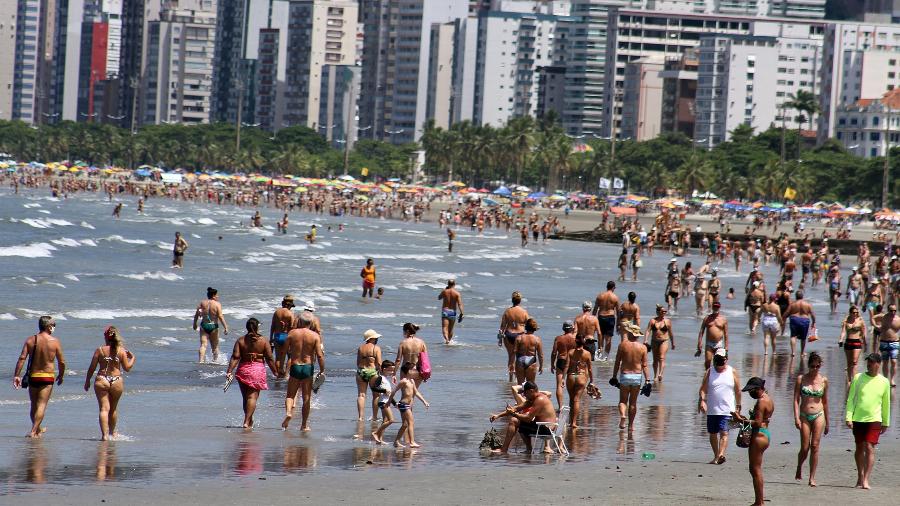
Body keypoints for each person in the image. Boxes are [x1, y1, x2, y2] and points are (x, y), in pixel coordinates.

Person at [13, 316, 66, 438]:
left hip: (34, 376)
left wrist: (16, 375)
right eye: (54, 325)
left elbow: (22, 358)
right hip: (47, 377)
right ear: (48, 326)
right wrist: (61, 375)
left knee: (34, 404)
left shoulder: (31, 340)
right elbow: (61, 362)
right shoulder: (55, 342)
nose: (54, 327)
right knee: (42, 405)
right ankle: (33, 431)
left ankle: (37, 430)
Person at [845, 353, 891, 489]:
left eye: (871, 362)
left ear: (878, 364)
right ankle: (860, 475)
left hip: (875, 419)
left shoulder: (884, 382)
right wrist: (848, 417)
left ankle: (866, 479)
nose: (869, 365)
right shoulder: (858, 378)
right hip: (858, 418)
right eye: (868, 362)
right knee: (859, 447)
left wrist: (885, 422)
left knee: (869, 447)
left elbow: (886, 403)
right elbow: (851, 399)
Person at [83, 326, 136, 440]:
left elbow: (91, 368)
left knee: (103, 409)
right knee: (113, 409)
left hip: (102, 379)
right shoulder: (121, 350)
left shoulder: (100, 350)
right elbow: (127, 368)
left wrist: (87, 381)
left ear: (106, 337)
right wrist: (133, 358)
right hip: (116, 380)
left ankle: (105, 436)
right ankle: (112, 433)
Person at [224, 318, 278, 429]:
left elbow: (235, 357)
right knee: (252, 398)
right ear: (257, 327)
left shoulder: (240, 340)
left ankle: (249, 420)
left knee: (246, 398)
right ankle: (246, 421)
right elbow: (269, 358)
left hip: (243, 369)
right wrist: (275, 371)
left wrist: (229, 371)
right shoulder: (263, 341)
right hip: (257, 370)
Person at [732, 377, 774, 506]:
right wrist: (744, 419)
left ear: (758, 389)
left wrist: (739, 420)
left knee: (755, 469)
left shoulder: (761, 402)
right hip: (764, 434)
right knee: (755, 469)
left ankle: (759, 502)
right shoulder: (768, 398)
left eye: (751, 391)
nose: (749, 394)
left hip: (759, 436)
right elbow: (762, 419)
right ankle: (759, 501)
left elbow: (757, 423)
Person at [281, 311, 325, 432]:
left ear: (299, 321)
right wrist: (322, 370)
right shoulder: (315, 336)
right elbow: (320, 356)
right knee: (306, 398)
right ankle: (304, 425)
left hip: (295, 366)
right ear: (311, 323)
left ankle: (289, 412)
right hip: (308, 367)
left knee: (290, 395)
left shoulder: (292, 333)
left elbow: (284, 352)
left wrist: (281, 367)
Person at [489, 381, 557, 454]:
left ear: (531, 391)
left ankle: (504, 449)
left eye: (525, 393)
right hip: (543, 426)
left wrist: (514, 414)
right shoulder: (535, 398)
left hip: (546, 429)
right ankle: (528, 449)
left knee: (514, 421)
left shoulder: (539, 400)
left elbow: (528, 419)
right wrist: (498, 416)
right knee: (519, 423)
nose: (524, 395)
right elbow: (516, 408)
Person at [698, 349, 741, 465]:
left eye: (722, 359)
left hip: (728, 409)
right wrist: (702, 401)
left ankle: (721, 454)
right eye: (717, 359)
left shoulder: (732, 371)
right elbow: (702, 389)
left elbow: (738, 391)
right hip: (712, 409)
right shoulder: (710, 371)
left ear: (726, 359)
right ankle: (716, 456)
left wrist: (738, 406)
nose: (719, 362)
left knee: (724, 432)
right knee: (713, 433)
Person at [793, 352, 829, 487]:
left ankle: (812, 477)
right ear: (808, 366)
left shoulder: (824, 380)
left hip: (819, 414)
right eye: (812, 366)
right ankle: (799, 466)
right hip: (804, 415)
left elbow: (825, 402)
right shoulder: (801, 379)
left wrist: (828, 423)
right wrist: (796, 417)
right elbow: (796, 400)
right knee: (805, 447)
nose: (815, 369)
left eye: (817, 366)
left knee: (815, 446)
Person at [610, 321, 651, 432]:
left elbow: (617, 362)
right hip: (637, 376)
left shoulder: (623, 345)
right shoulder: (643, 348)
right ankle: (631, 426)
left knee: (623, 401)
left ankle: (623, 415)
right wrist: (648, 380)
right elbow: (645, 365)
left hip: (625, 376)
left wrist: (614, 376)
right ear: (637, 335)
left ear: (629, 333)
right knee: (633, 403)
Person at [387, 362, 430, 448]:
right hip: (403, 404)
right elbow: (393, 391)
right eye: (414, 370)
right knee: (411, 422)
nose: (416, 371)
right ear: (408, 371)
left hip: (407, 405)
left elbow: (416, 392)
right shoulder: (404, 381)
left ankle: (396, 441)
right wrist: (389, 402)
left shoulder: (412, 381)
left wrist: (424, 401)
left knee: (405, 424)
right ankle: (412, 442)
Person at [564, 334, 595, 428]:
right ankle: (574, 422)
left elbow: (566, 366)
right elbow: (589, 369)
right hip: (581, 377)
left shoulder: (570, 352)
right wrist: (592, 381)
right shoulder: (587, 353)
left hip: (571, 377)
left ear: (575, 341)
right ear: (584, 342)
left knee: (571, 400)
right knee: (576, 400)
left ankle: (570, 421)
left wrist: (562, 379)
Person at [499, 291, 529, 381]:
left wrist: (500, 340)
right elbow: (529, 323)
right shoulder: (524, 312)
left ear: (512, 300)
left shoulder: (507, 311)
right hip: (520, 335)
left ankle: (510, 378)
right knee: (520, 357)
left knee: (511, 356)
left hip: (509, 335)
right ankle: (518, 378)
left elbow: (502, 327)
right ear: (520, 301)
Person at [193, 287, 228, 363]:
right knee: (215, 346)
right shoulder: (217, 304)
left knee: (203, 345)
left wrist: (194, 324)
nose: (218, 297)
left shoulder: (202, 303)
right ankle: (215, 361)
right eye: (217, 295)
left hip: (204, 325)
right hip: (213, 326)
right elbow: (220, 316)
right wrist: (225, 327)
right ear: (213, 296)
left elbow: (196, 314)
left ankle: (201, 361)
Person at [355, 329, 383, 421]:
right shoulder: (376, 348)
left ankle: (360, 417)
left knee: (361, 395)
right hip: (372, 372)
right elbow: (379, 363)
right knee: (376, 395)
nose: (376, 339)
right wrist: (381, 374)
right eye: (375, 338)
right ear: (371, 339)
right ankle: (374, 417)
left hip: (361, 371)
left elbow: (358, 362)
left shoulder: (360, 348)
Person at [644, 304, 675, 382]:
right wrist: (645, 340)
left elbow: (671, 333)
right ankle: (655, 375)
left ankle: (660, 374)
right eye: (663, 311)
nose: (664, 312)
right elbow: (648, 330)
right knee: (655, 359)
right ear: (658, 312)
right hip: (654, 341)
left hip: (664, 341)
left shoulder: (667, 321)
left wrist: (673, 343)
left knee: (661, 357)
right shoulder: (652, 321)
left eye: (665, 311)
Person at [550, 321, 576, 410]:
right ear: (572, 328)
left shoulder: (558, 338)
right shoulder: (575, 338)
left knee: (559, 385)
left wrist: (552, 364)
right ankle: (572, 405)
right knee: (572, 385)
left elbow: (554, 352)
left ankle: (561, 406)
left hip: (561, 360)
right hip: (572, 362)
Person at [838, 305, 867, 385]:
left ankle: (854, 380)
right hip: (848, 342)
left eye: (856, 312)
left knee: (854, 362)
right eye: (853, 312)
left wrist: (865, 343)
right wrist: (840, 340)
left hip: (857, 342)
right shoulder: (846, 320)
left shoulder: (860, 320)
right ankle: (849, 380)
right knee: (849, 363)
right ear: (850, 313)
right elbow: (843, 331)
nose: (855, 314)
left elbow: (864, 333)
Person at [696, 302, 728, 370]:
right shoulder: (707, 318)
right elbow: (701, 331)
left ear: (719, 308)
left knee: (718, 362)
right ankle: (707, 375)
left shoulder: (723, 319)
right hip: (709, 344)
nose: (716, 308)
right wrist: (699, 343)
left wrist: (726, 347)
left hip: (719, 344)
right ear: (712, 307)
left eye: (717, 307)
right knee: (708, 361)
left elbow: (726, 334)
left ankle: (715, 375)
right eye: (714, 307)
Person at [593, 281, 620, 361]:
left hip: (601, 317)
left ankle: (599, 354)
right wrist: (618, 324)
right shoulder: (615, 297)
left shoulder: (600, 296)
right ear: (613, 287)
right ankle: (605, 357)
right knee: (608, 339)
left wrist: (592, 320)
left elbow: (595, 309)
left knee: (600, 336)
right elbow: (618, 312)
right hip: (610, 317)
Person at [784, 290, 816, 357]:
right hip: (805, 320)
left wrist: (783, 319)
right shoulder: (807, 304)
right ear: (802, 296)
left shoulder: (792, 304)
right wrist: (813, 322)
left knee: (793, 336)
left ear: (796, 296)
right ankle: (802, 353)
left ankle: (793, 352)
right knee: (803, 338)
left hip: (794, 319)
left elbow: (786, 313)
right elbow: (812, 314)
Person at [269, 295, 295, 378]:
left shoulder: (276, 312)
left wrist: (271, 338)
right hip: (287, 336)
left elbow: (272, 326)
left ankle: (278, 375)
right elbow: (292, 328)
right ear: (290, 305)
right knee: (290, 356)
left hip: (277, 336)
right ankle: (286, 374)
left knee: (278, 357)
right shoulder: (290, 313)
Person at [395, 323, 427, 387]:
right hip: (418, 370)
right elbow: (425, 359)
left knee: (406, 394)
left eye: (403, 331)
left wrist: (394, 373)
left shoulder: (403, 343)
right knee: (413, 393)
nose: (403, 333)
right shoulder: (421, 342)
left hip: (406, 370)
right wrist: (426, 373)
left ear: (407, 331)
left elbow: (398, 360)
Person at [514, 318, 543, 384]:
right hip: (531, 360)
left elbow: (514, 351)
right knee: (531, 385)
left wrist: (513, 364)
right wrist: (541, 366)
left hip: (520, 360)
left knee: (520, 385)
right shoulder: (537, 339)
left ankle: (520, 394)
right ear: (535, 328)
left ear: (526, 327)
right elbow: (540, 355)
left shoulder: (519, 337)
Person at [877, 304, 899, 387]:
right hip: (884, 342)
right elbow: (873, 317)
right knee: (885, 362)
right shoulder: (883, 317)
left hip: (895, 342)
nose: (893, 312)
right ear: (888, 310)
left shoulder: (898, 319)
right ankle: (885, 379)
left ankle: (892, 379)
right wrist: (876, 326)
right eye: (891, 310)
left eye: (894, 311)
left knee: (894, 361)